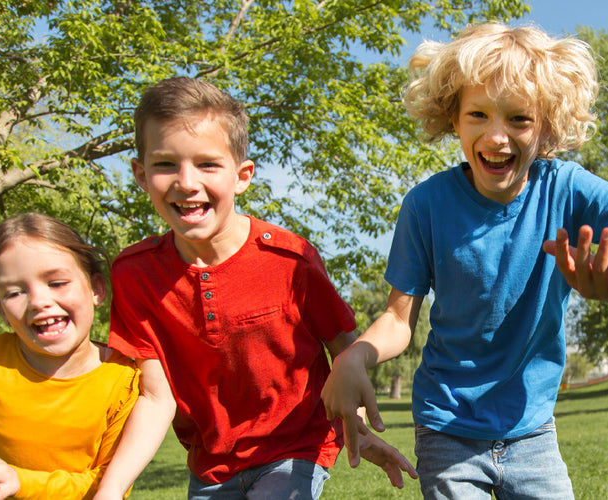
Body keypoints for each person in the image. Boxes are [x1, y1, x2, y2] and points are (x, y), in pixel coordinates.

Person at [322, 23, 608, 499]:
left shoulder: (566, 188)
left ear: (547, 126)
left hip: (531, 427)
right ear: (453, 118)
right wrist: (356, 356)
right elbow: (397, 317)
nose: (497, 136)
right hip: (447, 427)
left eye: (519, 119)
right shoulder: (425, 206)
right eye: (478, 114)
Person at [93, 77, 416, 500]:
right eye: (166, 164)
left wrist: (355, 426)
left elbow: (344, 350)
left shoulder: (291, 260)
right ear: (140, 174)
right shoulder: (134, 274)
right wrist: (111, 489)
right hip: (210, 466)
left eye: (208, 164)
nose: (187, 181)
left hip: (294, 448)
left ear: (242, 175)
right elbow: (156, 398)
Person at [0, 212, 140, 499]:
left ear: (96, 288)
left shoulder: (125, 382)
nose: (39, 302)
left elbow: (108, 484)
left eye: (56, 283)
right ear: (1, 310)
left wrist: (22, 482)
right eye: (15, 292)